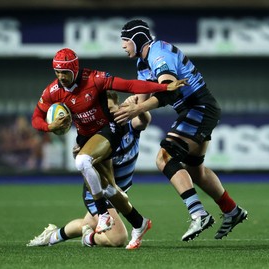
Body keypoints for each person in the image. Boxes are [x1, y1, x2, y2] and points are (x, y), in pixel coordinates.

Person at [31, 48, 185, 249]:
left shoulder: (105, 92)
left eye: (65, 72)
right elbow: (36, 118)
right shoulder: (53, 91)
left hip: (110, 169)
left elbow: (130, 88)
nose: (61, 77)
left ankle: (55, 236)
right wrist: (49, 127)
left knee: (98, 206)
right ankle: (103, 224)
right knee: (116, 235)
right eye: (57, 72)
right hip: (96, 178)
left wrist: (162, 88)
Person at [114, 19, 248, 241]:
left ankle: (198, 213)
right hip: (197, 109)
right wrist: (130, 107)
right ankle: (232, 210)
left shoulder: (158, 55)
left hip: (198, 107)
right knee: (196, 171)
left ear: (137, 39)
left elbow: (170, 92)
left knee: (164, 158)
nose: (123, 46)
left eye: (125, 41)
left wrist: (136, 108)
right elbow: (143, 100)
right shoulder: (143, 62)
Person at [27, 91, 151, 248]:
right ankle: (88, 239)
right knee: (118, 238)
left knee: (88, 222)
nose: (107, 114)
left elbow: (144, 121)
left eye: (111, 109)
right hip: (101, 191)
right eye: (103, 110)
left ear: (118, 107)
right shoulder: (96, 135)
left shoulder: (127, 124)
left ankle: (52, 236)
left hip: (118, 191)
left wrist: (138, 108)